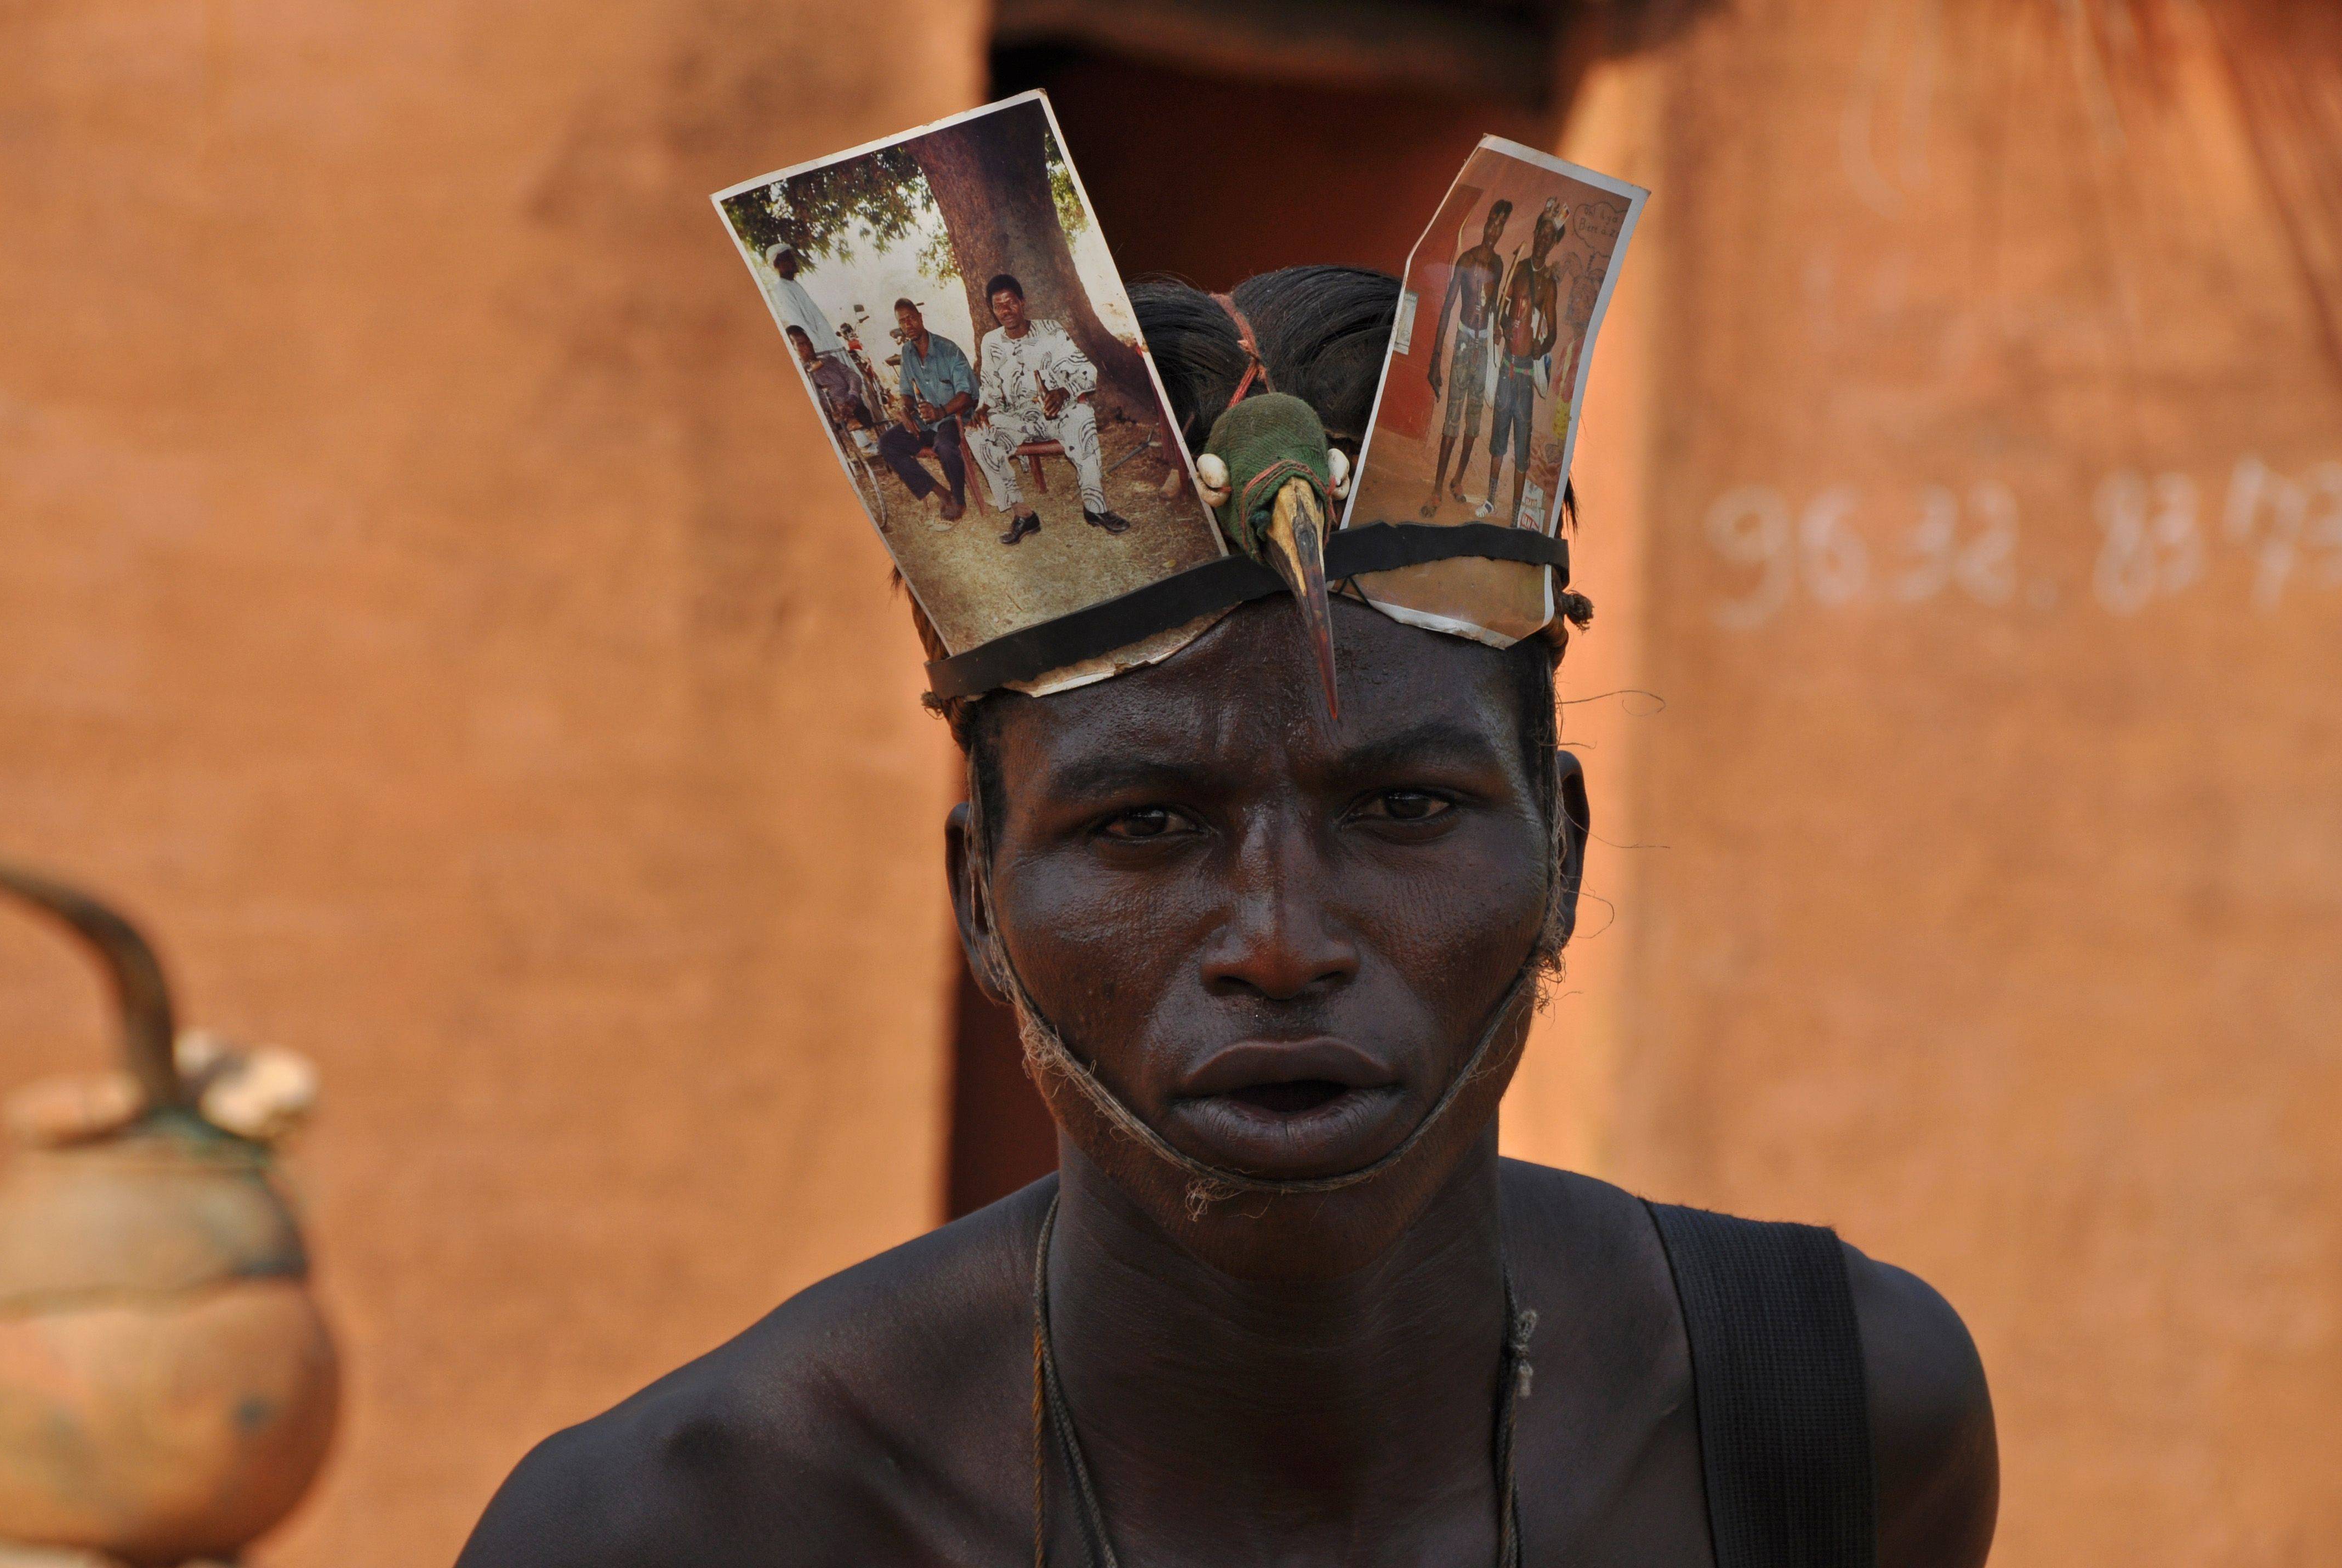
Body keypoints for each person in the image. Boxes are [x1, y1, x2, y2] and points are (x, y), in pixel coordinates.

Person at [457, 266, 1997, 1568]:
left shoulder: (1829, 1426)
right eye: (1143, 826)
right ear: (979, 901)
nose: (1279, 941)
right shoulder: (674, 1527)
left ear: (1564, 854)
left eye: (1404, 807)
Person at [963, 271, 1135, 546]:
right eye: (998, 306)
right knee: (976, 434)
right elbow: (989, 386)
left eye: (1011, 302)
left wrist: (1064, 391)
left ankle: (1095, 508)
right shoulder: (991, 342)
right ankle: (1023, 515)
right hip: (1016, 419)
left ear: (1023, 302)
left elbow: (1087, 372)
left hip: (1055, 414)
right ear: (993, 310)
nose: (1006, 311)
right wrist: (983, 408)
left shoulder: (1051, 331)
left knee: (1083, 414)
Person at [1481, 199, 1575, 527]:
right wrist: (1502, 325)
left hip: (1524, 374)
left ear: (1553, 243)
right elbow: (1502, 307)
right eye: (1542, 233)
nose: (1544, 241)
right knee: (1498, 439)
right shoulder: (1519, 268)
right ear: (1535, 234)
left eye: (1551, 237)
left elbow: (1553, 333)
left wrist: (1541, 346)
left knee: (1521, 445)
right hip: (1507, 366)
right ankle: (1490, 500)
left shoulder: (1549, 285)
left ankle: (1514, 516)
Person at [1420, 198, 1510, 519]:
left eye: (1501, 226)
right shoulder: (1466, 260)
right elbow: (1447, 308)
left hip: (1483, 348)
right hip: (1462, 345)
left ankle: (1457, 480)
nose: (1495, 230)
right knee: (1452, 420)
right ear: (1486, 223)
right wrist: (1435, 359)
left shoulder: (1499, 265)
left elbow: (1494, 304)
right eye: (1492, 222)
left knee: (1474, 422)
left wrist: (1497, 327)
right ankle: (1437, 489)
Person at [875, 296, 976, 526]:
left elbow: (967, 395)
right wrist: (905, 411)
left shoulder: (948, 349)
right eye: (903, 321)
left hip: (951, 417)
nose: (908, 325)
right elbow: (906, 393)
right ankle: (942, 493)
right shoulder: (907, 353)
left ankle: (959, 500)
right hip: (925, 422)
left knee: (946, 446)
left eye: (911, 318)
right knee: (887, 443)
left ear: (920, 318)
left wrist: (940, 412)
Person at [762, 241, 841, 374]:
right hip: (821, 349)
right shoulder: (782, 289)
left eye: (793, 258)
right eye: (788, 259)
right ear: (777, 265)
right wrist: (818, 348)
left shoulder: (794, 285)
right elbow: (798, 322)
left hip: (828, 343)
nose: (794, 262)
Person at [787, 323, 867, 428]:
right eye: (801, 344)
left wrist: (852, 397)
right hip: (831, 417)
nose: (808, 346)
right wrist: (832, 408)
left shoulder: (830, 360)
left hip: (853, 405)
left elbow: (853, 376)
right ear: (792, 349)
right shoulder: (800, 376)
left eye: (808, 342)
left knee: (864, 415)